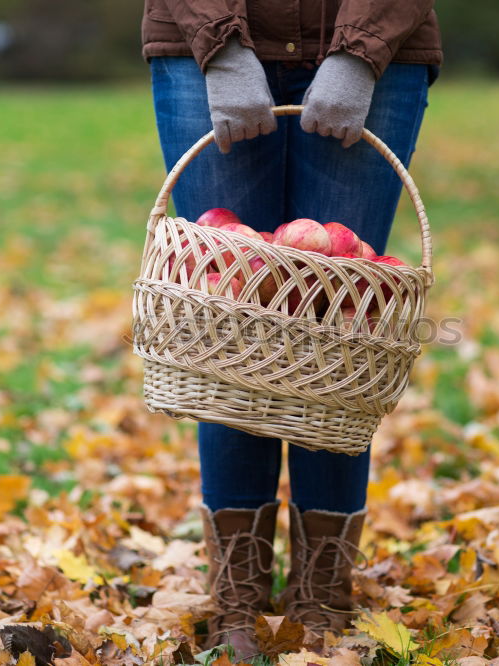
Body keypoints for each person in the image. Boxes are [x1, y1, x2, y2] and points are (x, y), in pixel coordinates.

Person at [141, 0, 441, 658]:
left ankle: (322, 593)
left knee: (337, 330)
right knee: (230, 328)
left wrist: (360, 52)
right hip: (203, 47)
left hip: (373, 47)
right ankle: (238, 594)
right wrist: (218, 44)